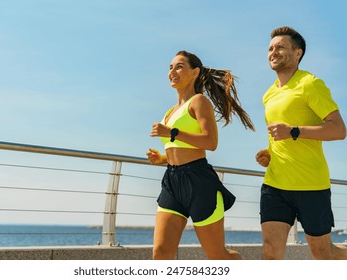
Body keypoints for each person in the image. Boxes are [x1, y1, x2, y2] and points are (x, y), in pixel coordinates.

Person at [147, 50, 255, 260]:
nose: (172, 71)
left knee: (217, 256)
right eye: (170, 67)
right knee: (160, 253)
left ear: (195, 72)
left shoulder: (199, 101)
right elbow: (178, 148)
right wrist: (162, 158)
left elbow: (210, 142)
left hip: (199, 182)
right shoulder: (169, 112)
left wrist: (171, 132)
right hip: (172, 181)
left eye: (179, 66)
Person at [256, 26, 347, 260]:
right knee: (270, 254)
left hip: (311, 185)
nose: (273, 52)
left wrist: (294, 131)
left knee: (323, 253)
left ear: (298, 53)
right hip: (275, 184)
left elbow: (338, 130)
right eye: (270, 48)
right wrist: (268, 153)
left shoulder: (310, 84)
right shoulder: (269, 94)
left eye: (280, 47)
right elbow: (279, 136)